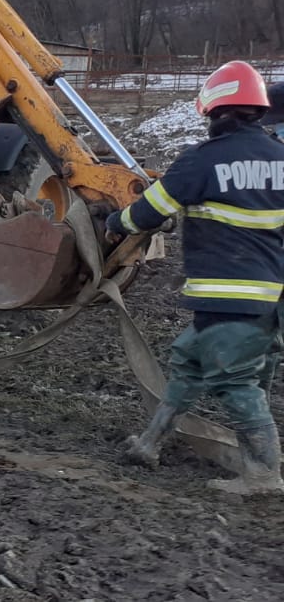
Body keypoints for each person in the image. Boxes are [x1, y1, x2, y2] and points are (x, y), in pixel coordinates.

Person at [113, 61, 284, 495]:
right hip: (271, 297)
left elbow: (146, 213)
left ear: (214, 110)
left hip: (228, 296)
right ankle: (150, 443)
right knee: (188, 360)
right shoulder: (280, 158)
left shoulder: (202, 160)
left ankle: (263, 475)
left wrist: (113, 219)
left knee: (234, 381)